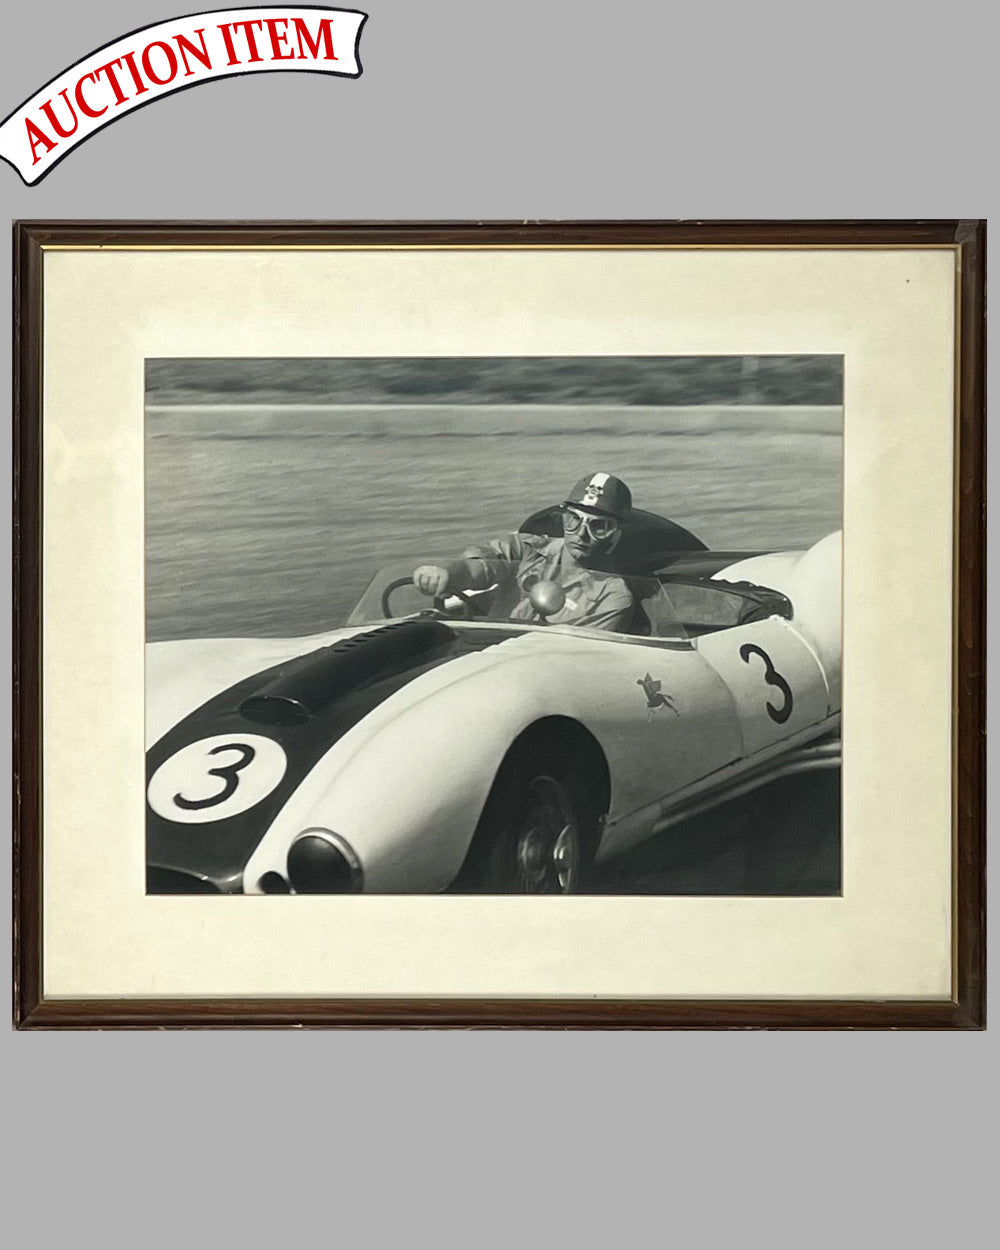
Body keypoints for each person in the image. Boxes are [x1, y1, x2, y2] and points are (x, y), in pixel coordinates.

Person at [413, 472, 636, 631]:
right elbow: (479, 566)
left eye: (599, 526)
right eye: (573, 520)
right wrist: (446, 572)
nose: (581, 534)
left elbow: (576, 657)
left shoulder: (612, 597)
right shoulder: (528, 549)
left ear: (616, 534)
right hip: (479, 650)